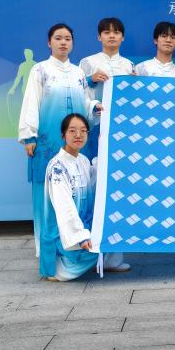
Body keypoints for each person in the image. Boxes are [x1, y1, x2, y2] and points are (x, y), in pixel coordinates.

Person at [19, 23, 99, 254]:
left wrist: (94, 107)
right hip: (48, 142)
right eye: (58, 38)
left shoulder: (78, 73)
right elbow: (31, 102)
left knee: (77, 191)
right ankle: (45, 248)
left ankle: (76, 244)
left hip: (76, 144)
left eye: (67, 38)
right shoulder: (40, 70)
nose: (63, 42)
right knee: (45, 194)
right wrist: (29, 136)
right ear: (49, 42)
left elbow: (85, 101)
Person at [42, 113, 128, 281]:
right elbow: (64, 207)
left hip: (84, 226)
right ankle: (60, 268)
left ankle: (109, 261)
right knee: (96, 247)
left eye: (83, 131)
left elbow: (95, 184)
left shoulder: (82, 160)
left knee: (115, 222)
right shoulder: (57, 167)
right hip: (64, 234)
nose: (78, 135)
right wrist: (80, 236)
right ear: (63, 135)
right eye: (72, 131)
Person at [79, 17, 136, 105]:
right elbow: (77, 89)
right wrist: (91, 79)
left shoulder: (129, 64)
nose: (112, 36)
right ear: (99, 37)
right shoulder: (87, 62)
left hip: (121, 111)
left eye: (116, 32)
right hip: (95, 112)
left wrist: (134, 83)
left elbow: (132, 95)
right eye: (107, 32)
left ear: (123, 37)